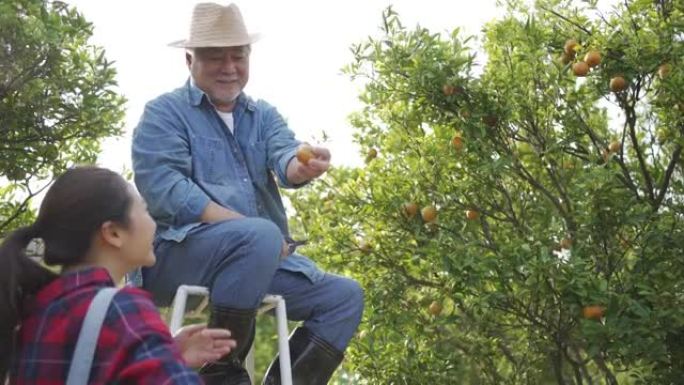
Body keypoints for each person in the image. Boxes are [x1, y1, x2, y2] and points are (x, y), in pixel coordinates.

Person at [131, 3, 364, 384]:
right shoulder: (163, 113)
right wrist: (251, 230)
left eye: (238, 56)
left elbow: (285, 153)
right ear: (189, 59)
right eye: (215, 57)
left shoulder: (263, 115)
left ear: (249, 57)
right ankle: (221, 372)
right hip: (176, 255)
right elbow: (165, 190)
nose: (229, 67)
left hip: (256, 260)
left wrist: (300, 166)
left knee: (345, 296)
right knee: (261, 234)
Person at [0, 166, 236, 384]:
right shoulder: (124, 310)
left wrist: (164, 353)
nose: (154, 224)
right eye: (144, 209)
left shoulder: (35, 313)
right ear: (113, 233)